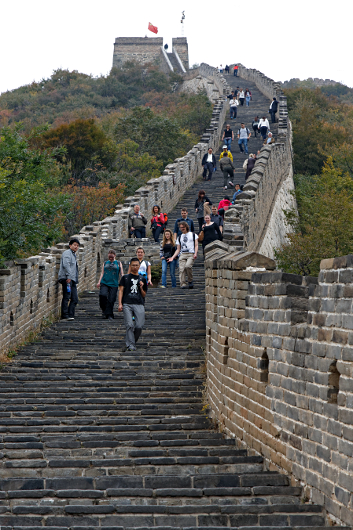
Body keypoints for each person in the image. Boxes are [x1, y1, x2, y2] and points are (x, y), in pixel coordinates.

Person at [118, 257, 148, 352]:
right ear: (130, 266)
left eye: (136, 265)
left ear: (139, 266)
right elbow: (121, 291)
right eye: (133, 265)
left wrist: (142, 288)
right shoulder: (125, 278)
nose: (135, 267)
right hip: (127, 303)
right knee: (130, 325)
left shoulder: (142, 278)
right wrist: (120, 304)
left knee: (139, 326)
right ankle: (131, 345)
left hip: (139, 303)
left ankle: (132, 342)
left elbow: (144, 295)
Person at [97, 249, 124, 320]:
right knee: (102, 295)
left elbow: (121, 273)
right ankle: (104, 310)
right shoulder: (105, 262)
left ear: (115, 256)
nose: (111, 258)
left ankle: (109, 314)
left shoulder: (118, 263)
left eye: (112, 257)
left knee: (111, 299)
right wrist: (99, 282)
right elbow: (102, 273)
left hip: (114, 283)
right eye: (109, 257)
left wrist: (123, 281)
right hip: (104, 282)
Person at [170, 221, 198, 289]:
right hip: (182, 254)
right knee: (181, 269)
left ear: (186, 227)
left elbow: (196, 245)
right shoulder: (180, 237)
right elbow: (178, 249)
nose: (182, 228)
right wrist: (173, 257)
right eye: (181, 227)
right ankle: (183, 283)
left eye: (183, 227)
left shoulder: (193, 235)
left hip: (191, 253)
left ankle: (190, 280)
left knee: (188, 266)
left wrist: (195, 253)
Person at [58, 238, 80, 321]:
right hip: (67, 278)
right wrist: (69, 276)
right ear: (70, 245)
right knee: (67, 296)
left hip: (72, 279)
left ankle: (70, 314)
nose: (76, 247)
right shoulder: (67, 253)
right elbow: (66, 265)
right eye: (74, 245)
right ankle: (65, 315)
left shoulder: (73, 254)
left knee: (75, 298)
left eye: (77, 246)